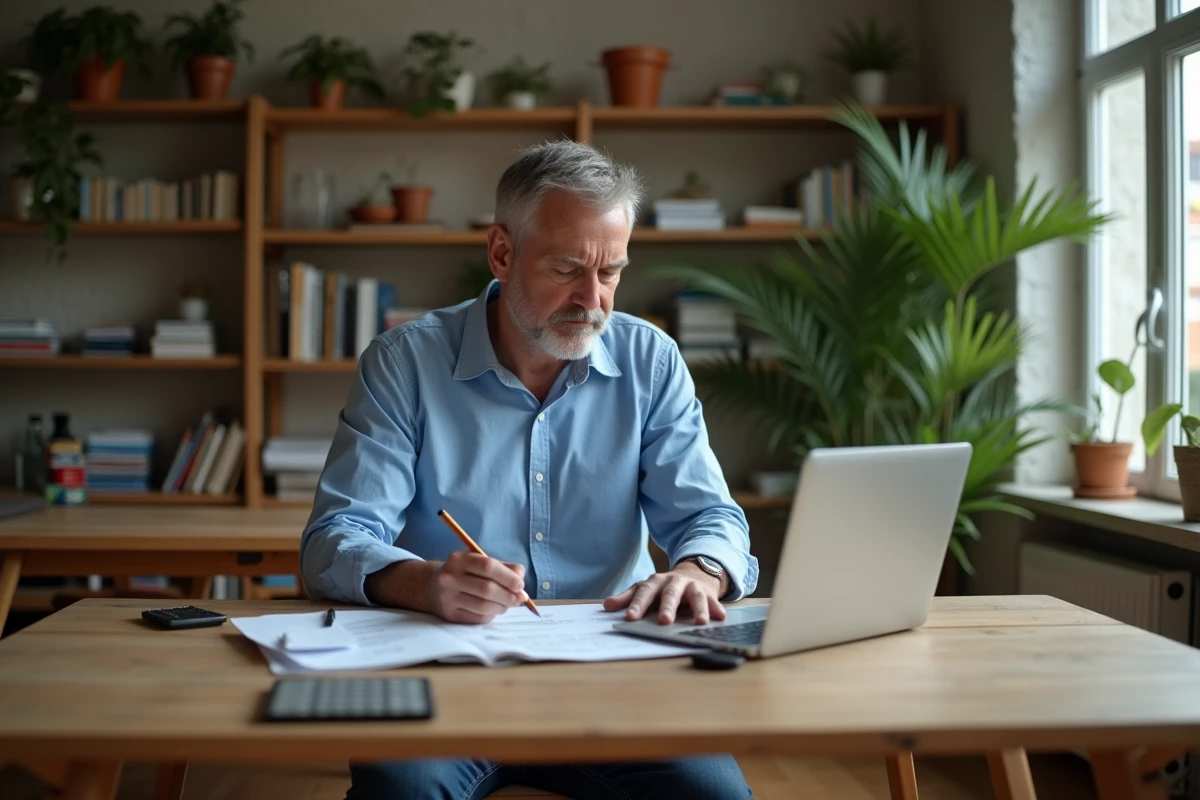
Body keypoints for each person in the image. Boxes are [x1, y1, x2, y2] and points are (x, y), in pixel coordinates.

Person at [300, 138, 759, 800]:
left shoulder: (650, 359)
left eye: (611, 273)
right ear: (502, 252)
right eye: (568, 268)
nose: (592, 301)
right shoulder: (404, 363)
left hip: (615, 677)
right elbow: (332, 540)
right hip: (446, 672)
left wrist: (698, 570)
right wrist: (422, 583)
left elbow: (712, 518)